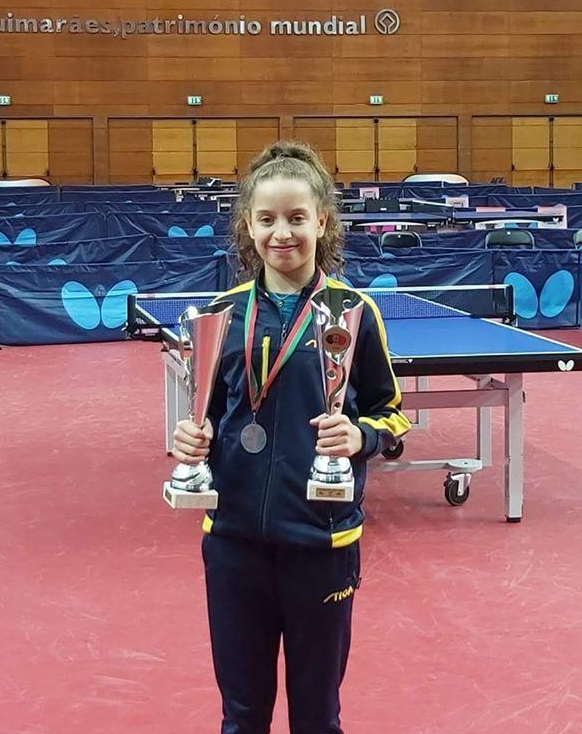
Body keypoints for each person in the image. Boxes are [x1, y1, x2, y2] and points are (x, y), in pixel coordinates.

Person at [171, 141, 410, 734]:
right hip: (234, 543)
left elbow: (391, 414)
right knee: (242, 715)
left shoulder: (354, 312)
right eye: (268, 219)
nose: (283, 233)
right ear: (249, 227)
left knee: (318, 717)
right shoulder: (221, 315)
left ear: (321, 222)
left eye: (297, 217)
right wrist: (191, 441)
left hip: (321, 542)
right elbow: (209, 414)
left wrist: (359, 435)